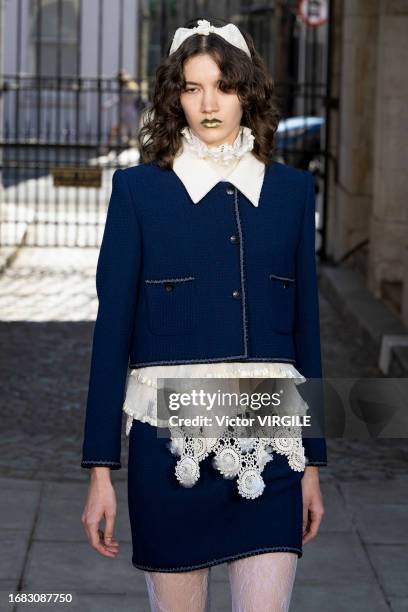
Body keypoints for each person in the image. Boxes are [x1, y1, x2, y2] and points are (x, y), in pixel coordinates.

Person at [80, 17, 327, 611]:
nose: (210, 104)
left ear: (249, 92)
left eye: (224, 86)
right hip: (167, 454)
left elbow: (307, 331)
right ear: (174, 98)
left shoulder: (291, 193)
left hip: (271, 449)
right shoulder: (138, 192)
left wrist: (314, 462)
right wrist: (98, 472)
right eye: (192, 88)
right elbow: (110, 334)